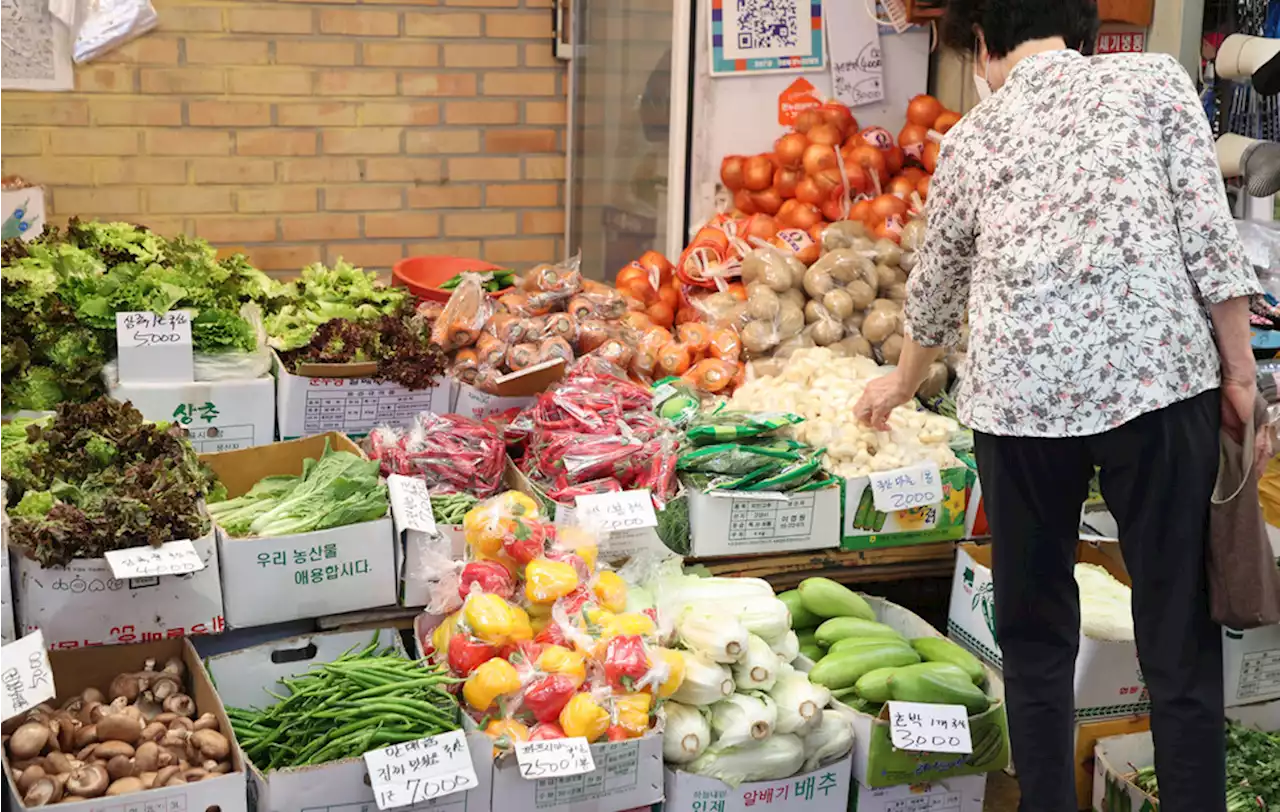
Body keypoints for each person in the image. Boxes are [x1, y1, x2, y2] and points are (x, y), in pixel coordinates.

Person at [852, 1, 1270, 810]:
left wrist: (901, 384)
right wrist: (1240, 373)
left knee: (1036, 639)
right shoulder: (1154, 81)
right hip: (1157, 384)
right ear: (1078, 32)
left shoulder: (972, 135)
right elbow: (1207, 238)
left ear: (983, 46)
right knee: (1179, 638)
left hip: (1019, 408)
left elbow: (935, 287)